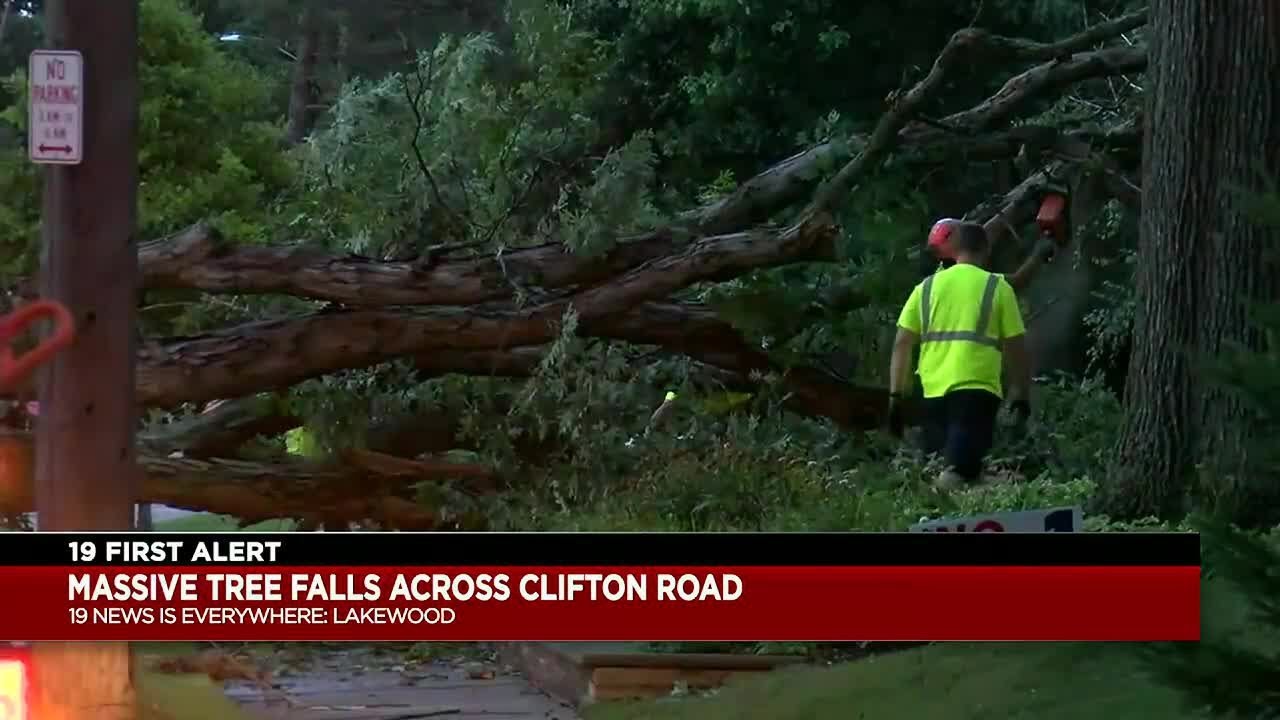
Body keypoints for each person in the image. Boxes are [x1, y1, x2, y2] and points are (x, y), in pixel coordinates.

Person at [887, 221, 1037, 490]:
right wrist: (1021, 394)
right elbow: (1017, 349)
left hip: (931, 394)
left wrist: (896, 396)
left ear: (953, 248)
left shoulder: (926, 288)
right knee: (956, 475)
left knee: (949, 470)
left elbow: (902, 345)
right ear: (985, 250)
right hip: (976, 393)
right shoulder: (997, 287)